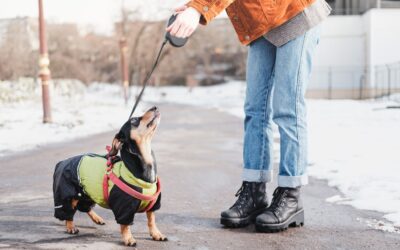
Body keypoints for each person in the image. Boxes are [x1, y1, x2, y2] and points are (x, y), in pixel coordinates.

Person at [167, 0, 331, 232]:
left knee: (288, 109)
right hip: (260, 21)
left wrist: (198, 9)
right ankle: (254, 191)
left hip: (294, 11)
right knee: (255, 110)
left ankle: (291, 195)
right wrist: (194, 6)